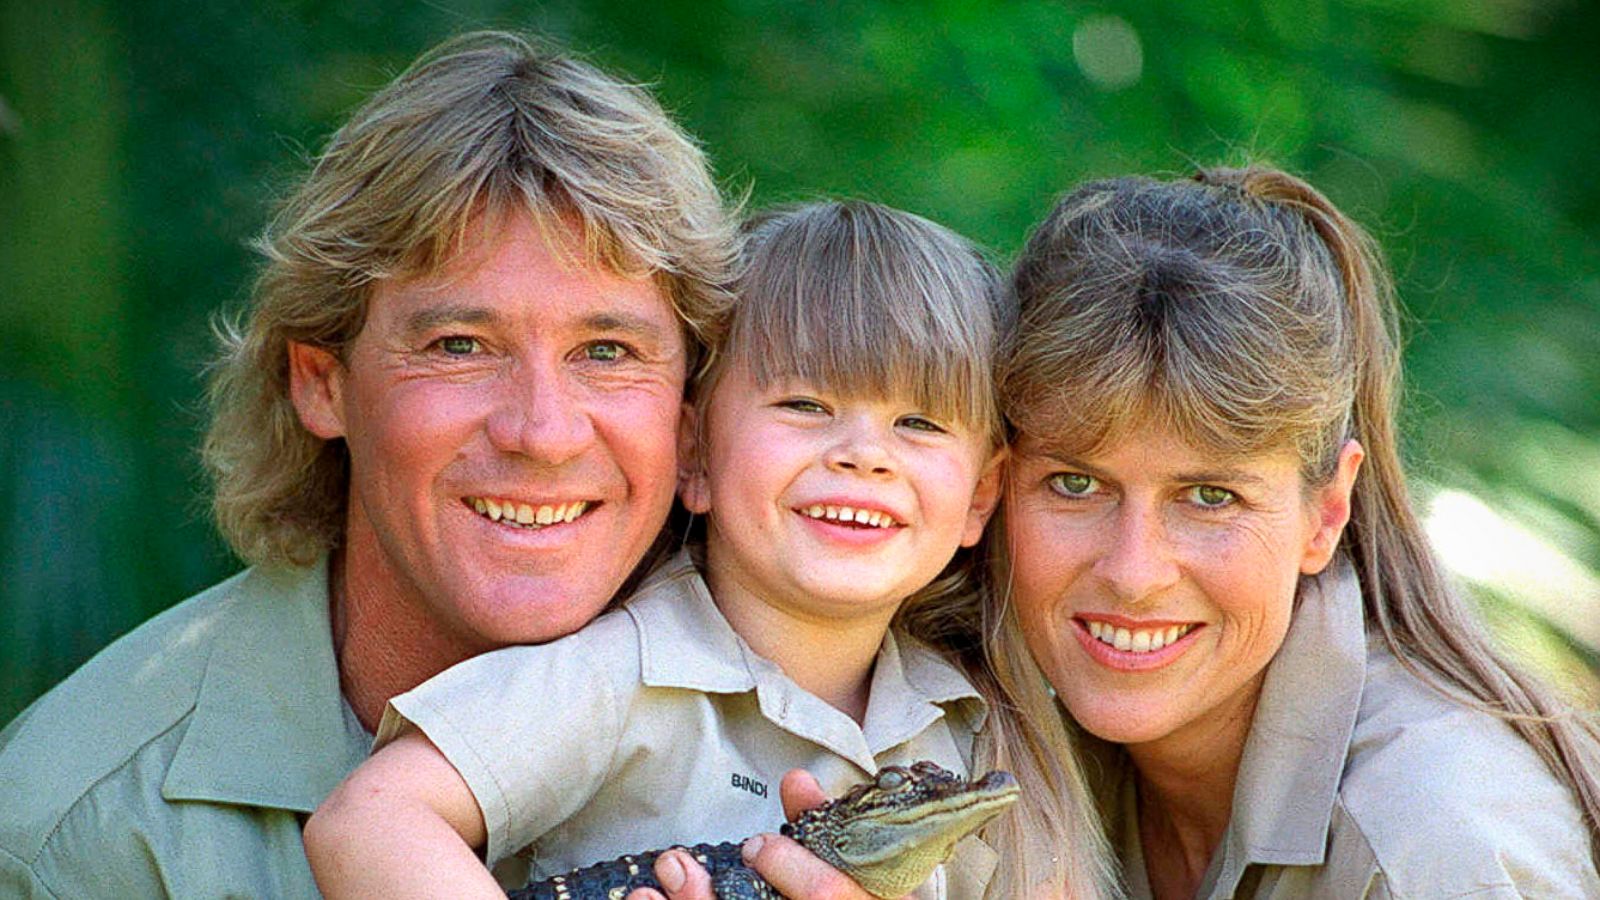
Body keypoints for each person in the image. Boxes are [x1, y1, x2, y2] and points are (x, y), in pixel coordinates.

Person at [0, 31, 737, 898]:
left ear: (691, 418)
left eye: (607, 351)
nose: (543, 432)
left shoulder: (851, 739)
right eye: (459, 345)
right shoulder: (75, 836)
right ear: (324, 384)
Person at [303, 200, 1118, 900]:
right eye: (804, 403)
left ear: (981, 494)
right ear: (692, 453)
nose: (864, 455)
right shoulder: (615, 674)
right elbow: (368, 821)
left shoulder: (975, 731)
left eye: (919, 422)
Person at [990, 165, 1600, 897]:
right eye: (1076, 484)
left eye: (1210, 497)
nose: (1133, 571)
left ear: (1327, 513)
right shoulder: (996, 749)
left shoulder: (1433, 846)